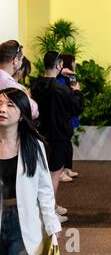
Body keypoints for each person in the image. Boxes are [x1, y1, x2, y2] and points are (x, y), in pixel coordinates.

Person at [0, 88, 61, 255]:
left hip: (24, 220)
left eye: (10, 105)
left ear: (21, 115)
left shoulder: (33, 146)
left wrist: (52, 225)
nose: (2, 109)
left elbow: (44, 190)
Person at [30, 51, 84, 223]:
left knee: (42, 175)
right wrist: (76, 91)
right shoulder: (62, 89)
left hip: (39, 134)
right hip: (58, 136)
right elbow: (77, 108)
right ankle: (49, 215)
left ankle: (50, 207)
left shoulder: (36, 85)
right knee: (53, 177)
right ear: (59, 65)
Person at [56, 53, 81, 183]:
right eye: (73, 61)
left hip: (70, 113)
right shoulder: (59, 78)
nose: (75, 64)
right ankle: (60, 172)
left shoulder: (71, 76)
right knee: (64, 142)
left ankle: (67, 168)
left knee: (68, 141)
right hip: (63, 114)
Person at [0, 40, 39, 120]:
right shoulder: (10, 85)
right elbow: (33, 111)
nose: (21, 62)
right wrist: (26, 94)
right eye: (21, 59)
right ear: (15, 61)